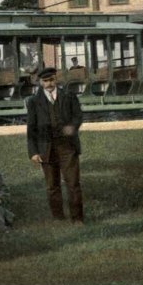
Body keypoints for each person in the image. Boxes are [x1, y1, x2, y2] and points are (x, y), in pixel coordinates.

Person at [26, 67, 84, 223]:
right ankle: (58, 218)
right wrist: (33, 152)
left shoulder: (69, 96)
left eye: (51, 80)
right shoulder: (33, 101)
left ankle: (77, 219)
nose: (49, 84)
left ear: (56, 79)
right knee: (52, 186)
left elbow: (78, 116)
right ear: (40, 82)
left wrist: (73, 127)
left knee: (72, 183)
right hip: (46, 148)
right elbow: (31, 128)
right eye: (45, 81)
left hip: (67, 147)